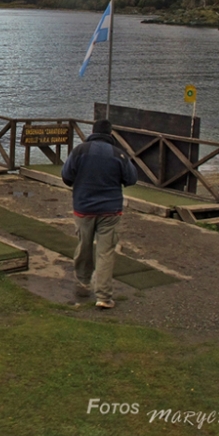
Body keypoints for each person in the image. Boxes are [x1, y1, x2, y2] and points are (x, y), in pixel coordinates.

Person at [61, 119, 138, 309]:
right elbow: (131, 178)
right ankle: (103, 296)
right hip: (110, 210)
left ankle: (83, 280)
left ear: (93, 132)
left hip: (84, 208)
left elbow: (66, 176)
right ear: (110, 134)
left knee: (84, 245)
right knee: (105, 252)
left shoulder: (80, 151)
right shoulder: (118, 154)